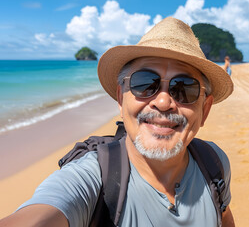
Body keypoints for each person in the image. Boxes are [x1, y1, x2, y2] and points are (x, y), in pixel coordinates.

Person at [0, 17, 235, 226]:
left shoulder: (213, 163)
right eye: (145, 83)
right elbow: (44, 212)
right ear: (121, 99)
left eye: (184, 88)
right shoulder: (94, 180)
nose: (163, 102)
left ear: (205, 110)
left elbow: (223, 216)